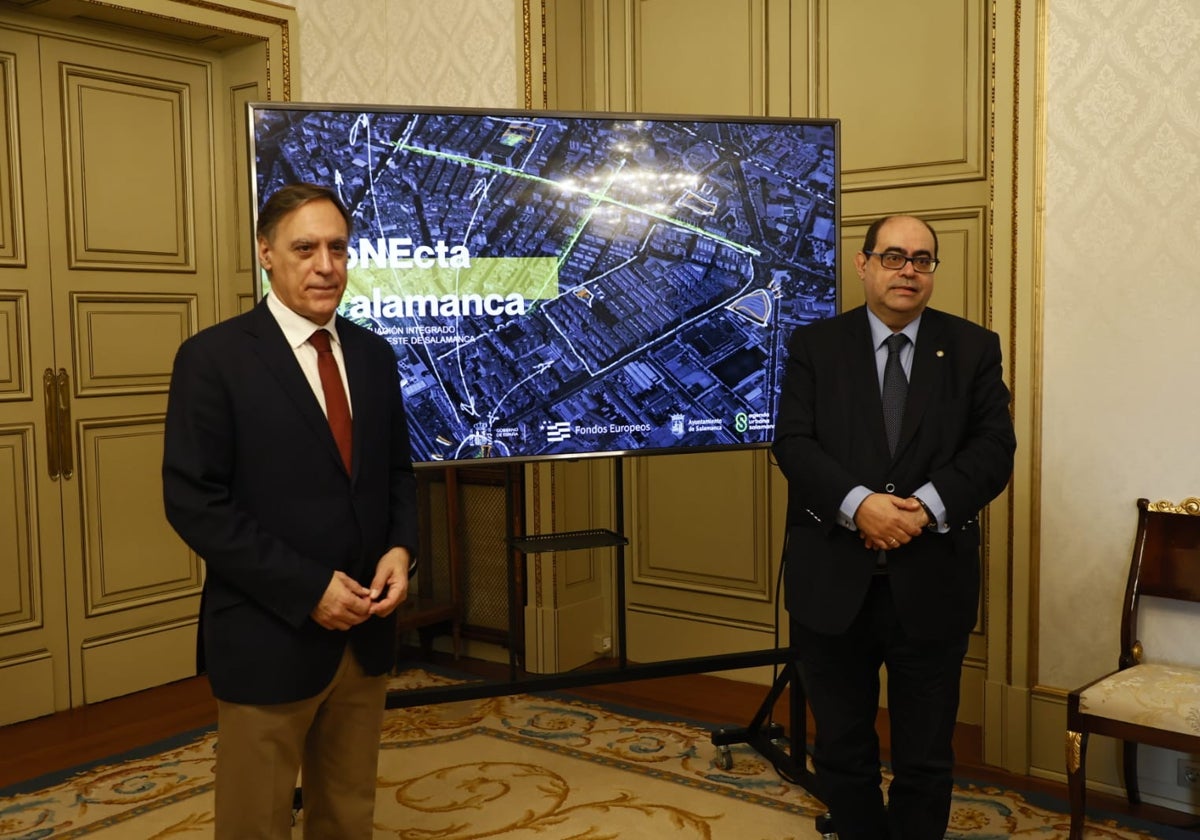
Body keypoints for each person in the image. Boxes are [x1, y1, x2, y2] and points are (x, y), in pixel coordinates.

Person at [162, 182, 419, 839]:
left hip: (364, 636)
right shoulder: (214, 359)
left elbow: (395, 473)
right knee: (256, 820)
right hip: (267, 635)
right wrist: (307, 589)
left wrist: (400, 549)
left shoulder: (373, 355)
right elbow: (195, 501)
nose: (325, 265)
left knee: (348, 811)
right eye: (304, 248)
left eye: (337, 247)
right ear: (266, 253)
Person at [772, 214, 1016, 839]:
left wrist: (921, 508)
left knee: (926, 755)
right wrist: (861, 506)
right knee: (842, 751)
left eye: (923, 259)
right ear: (864, 264)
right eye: (894, 256)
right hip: (832, 586)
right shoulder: (814, 346)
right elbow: (794, 445)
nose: (909, 269)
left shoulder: (973, 347)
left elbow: (994, 450)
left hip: (931, 584)